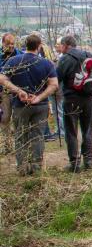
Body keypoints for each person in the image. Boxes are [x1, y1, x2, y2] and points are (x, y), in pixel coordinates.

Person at [0, 34, 58, 175]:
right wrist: (39, 97)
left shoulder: (14, 61)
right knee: (37, 136)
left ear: (25, 45)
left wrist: (18, 91)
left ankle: (22, 167)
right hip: (40, 105)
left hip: (21, 105)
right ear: (39, 46)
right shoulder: (46, 63)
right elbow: (54, 85)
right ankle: (36, 166)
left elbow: (2, 79)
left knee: (20, 136)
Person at [56, 36, 92, 172]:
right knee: (88, 129)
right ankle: (88, 160)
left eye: (61, 45)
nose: (61, 48)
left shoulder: (65, 59)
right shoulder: (87, 55)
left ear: (66, 45)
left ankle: (75, 164)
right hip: (88, 98)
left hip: (71, 98)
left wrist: (58, 91)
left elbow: (57, 77)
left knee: (71, 131)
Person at [0, 33, 22, 155]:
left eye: (13, 44)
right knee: (5, 118)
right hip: (3, 92)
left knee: (19, 118)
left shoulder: (20, 55)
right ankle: (7, 145)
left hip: (19, 90)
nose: (11, 46)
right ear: (3, 43)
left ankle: (19, 145)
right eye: (8, 44)